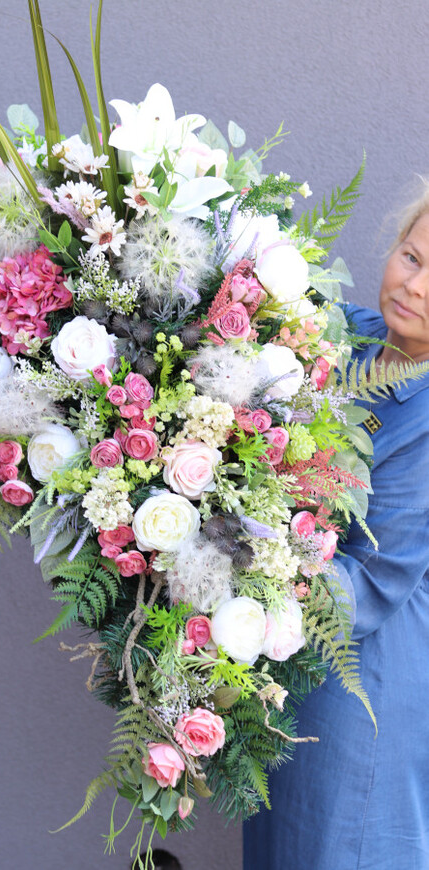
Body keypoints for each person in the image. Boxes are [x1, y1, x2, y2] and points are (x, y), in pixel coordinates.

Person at [244, 185, 429, 869]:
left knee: (341, 849)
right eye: (411, 256)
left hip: (364, 682)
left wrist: (244, 578)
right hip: (298, 661)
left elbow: (376, 580)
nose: (414, 285)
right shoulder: (350, 338)